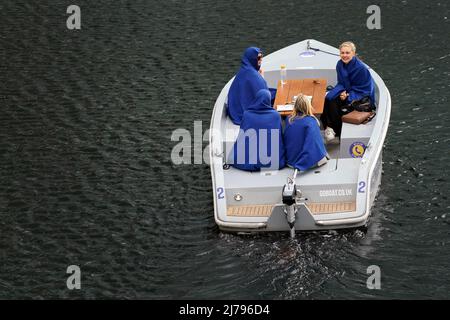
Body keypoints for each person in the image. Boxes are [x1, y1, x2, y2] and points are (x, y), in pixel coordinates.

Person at [321, 41, 375, 142]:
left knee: (335, 104)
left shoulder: (360, 68)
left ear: (353, 53)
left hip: (361, 96)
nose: (344, 55)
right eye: (342, 53)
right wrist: (340, 92)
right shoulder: (339, 64)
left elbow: (364, 88)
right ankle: (329, 128)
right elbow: (341, 82)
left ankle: (336, 130)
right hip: (347, 91)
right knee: (328, 98)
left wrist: (348, 95)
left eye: (347, 53)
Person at [230, 89, 286, 171]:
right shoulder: (276, 116)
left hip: (247, 161)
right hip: (272, 162)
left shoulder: (247, 114)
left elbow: (242, 136)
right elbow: (279, 137)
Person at [227, 47, 275, 125]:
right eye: (258, 58)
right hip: (246, 112)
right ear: (252, 59)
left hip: (235, 109)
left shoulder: (243, 70)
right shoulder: (254, 76)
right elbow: (265, 96)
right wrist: (261, 78)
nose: (261, 60)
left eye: (261, 56)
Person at [284, 94, 328, 171]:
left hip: (290, 161)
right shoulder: (311, 122)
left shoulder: (288, 119)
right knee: (323, 152)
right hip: (304, 164)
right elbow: (312, 145)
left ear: (295, 106)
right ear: (308, 106)